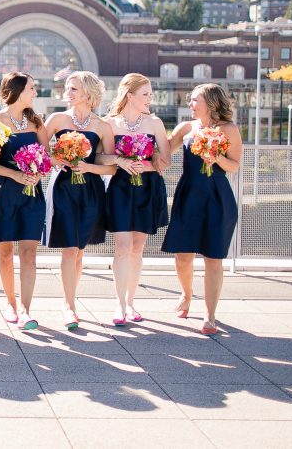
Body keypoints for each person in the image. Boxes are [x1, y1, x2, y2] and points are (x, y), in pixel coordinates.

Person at [162, 83, 242, 335]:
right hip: (188, 196)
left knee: (213, 258)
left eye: (195, 99)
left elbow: (235, 166)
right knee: (182, 256)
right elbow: (163, 153)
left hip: (217, 197)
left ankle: (210, 315)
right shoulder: (186, 128)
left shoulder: (229, 129)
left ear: (211, 101)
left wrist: (215, 157)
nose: (190, 104)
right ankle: (186, 295)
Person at [43, 71, 115, 330]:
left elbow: (110, 166)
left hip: (90, 190)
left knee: (79, 250)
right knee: (69, 247)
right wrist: (58, 160)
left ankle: (70, 299)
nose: (67, 92)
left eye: (73, 89)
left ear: (88, 93)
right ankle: (69, 306)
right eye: (67, 88)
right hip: (62, 188)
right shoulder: (56, 119)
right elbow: (39, 152)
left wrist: (88, 168)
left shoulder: (102, 126)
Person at [100, 73, 170, 327]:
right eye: (145, 94)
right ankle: (118, 304)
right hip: (120, 188)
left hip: (148, 188)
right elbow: (100, 158)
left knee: (138, 247)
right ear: (130, 96)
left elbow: (166, 160)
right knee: (122, 246)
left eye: (150, 94)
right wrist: (120, 160)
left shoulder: (155, 123)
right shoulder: (109, 124)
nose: (150, 98)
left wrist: (146, 166)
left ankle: (131, 302)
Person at [0, 72, 46, 330]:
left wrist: (37, 173)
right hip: (3, 191)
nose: (35, 93)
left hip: (32, 193)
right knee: (6, 254)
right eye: (31, 88)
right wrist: (15, 174)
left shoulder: (36, 122)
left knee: (29, 254)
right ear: (17, 90)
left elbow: (46, 157)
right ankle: (10, 303)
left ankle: (26, 310)